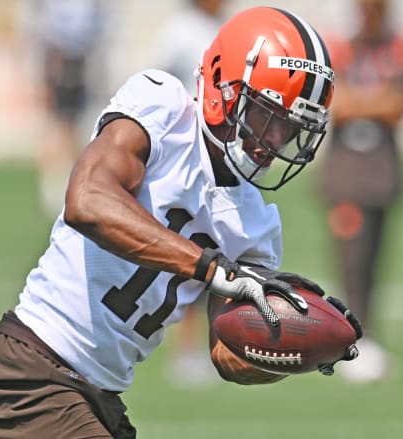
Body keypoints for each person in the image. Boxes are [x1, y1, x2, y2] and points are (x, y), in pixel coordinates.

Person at [0, 7, 359, 438]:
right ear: (223, 85)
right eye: (268, 115)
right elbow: (87, 200)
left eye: (291, 127)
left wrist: (301, 344)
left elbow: (228, 356)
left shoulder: (257, 224)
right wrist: (211, 267)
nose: (276, 141)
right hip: (27, 371)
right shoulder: (163, 108)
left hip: (95, 396)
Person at [318, 0, 403, 383]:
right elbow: (332, 103)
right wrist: (374, 101)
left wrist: (361, 103)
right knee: (350, 262)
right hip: (346, 175)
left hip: (381, 172)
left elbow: (400, 103)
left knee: (374, 260)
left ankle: (366, 336)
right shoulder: (340, 48)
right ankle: (350, 340)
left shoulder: (397, 48)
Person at [151, 0, 229, 388]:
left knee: (211, 248)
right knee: (191, 252)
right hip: (185, 155)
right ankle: (186, 350)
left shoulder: (220, 25)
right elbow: (163, 82)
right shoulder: (182, 30)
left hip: (213, 153)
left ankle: (201, 348)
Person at [28, 0, 107, 218]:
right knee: (57, 123)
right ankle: (52, 181)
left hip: (80, 60)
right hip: (60, 59)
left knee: (74, 124)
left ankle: (71, 178)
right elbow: (48, 30)